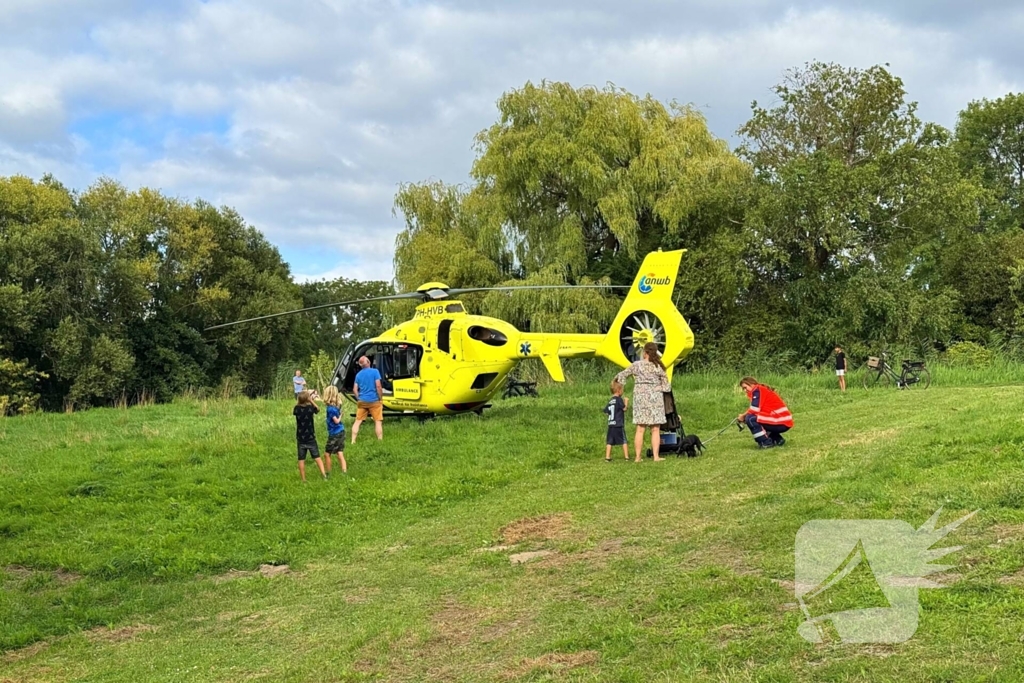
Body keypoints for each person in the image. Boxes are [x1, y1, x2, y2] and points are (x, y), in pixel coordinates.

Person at [615, 342, 672, 463]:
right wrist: (657, 388)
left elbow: (621, 375)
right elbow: (667, 387)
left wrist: (620, 388)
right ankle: (656, 456)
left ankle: (637, 457)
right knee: (655, 429)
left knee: (640, 429)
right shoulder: (659, 367)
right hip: (655, 399)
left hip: (640, 399)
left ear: (645, 352)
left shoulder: (637, 365)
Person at [737, 376, 793, 449]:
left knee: (750, 419)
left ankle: (765, 443)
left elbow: (754, 410)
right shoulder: (761, 389)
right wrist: (744, 416)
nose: (745, 390)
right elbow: (754, 409)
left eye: (745, 387)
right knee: (754, 418)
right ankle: (777, 439)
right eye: (743, 389)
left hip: (780, 420)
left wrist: (743, 416)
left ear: (751, 383)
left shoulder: (757, 390)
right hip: (783, 420)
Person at [293, 390, 327, 481]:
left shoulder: (296, 408)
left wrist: (299, 402)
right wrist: (311, 401)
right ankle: (324, 475)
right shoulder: (310, 408)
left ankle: (303, 479)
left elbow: (295, 411)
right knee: (317, 457)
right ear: (307, 399)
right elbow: (317, 409)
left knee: (301, 459)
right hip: (311, 437)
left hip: (300, 438)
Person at [351, 356, 384, 443]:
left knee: (357, 421)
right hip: (374, 401)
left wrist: (359, 398)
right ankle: (380, 441)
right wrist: (380, 398)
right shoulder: (375, 372)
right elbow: (378, 386)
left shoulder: (358, 375)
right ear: (369, 362)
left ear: (360, 365)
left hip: (362, 401)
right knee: (378, 421)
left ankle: (353, 441)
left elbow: (354, 389)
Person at [322, 385, 347, 475]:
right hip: (341, 431)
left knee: (327, 454)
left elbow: (336, 421)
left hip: (334, 433)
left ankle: (328, 473)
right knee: (340, 452)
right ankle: (344, 472)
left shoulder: (330, 409)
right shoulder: (337, 406)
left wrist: (340, 416)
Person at [603, 380, 629, 462]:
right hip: (618, 424)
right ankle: (626, 457)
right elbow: (624, 409)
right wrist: (626, 402)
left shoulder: (610, 401)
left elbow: (606, 412)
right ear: (619, 390)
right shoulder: (619, 399)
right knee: (624, 440)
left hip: (611, 424)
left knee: (609, 441)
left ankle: (607, 457)